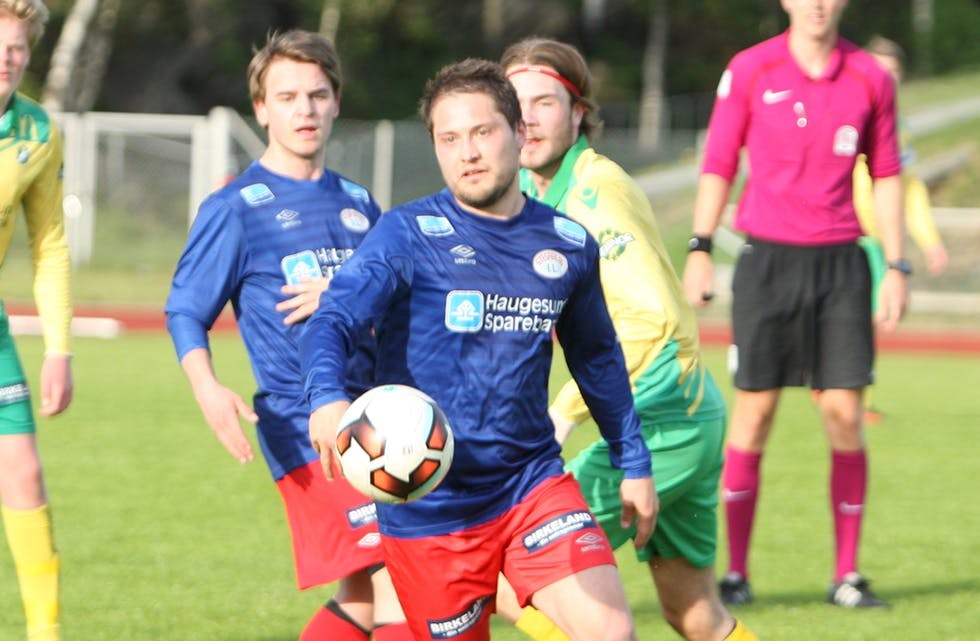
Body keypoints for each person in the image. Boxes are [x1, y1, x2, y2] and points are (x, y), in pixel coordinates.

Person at [301, 57, 657, 641]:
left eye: (482, 132)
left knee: (610, 632)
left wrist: (634, 460)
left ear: (518, 135)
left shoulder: (567, 244)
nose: (467, 152)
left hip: (530, 483)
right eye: (449, 138)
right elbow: (334, 317)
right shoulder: (405, 234)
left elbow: (597, 358)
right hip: (427, 506)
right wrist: (326, 396)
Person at [491, 37, 757, 641]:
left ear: (580, 112)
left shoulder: (594, 193)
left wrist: (564, 412)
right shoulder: (535, 192)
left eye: (546, 102)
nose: (527, 117)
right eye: (515, 102)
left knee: (509, 562)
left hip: (660, 420)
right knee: (694, 614)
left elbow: (652, 319)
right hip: (683, 412)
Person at [164, 30, 410, 641]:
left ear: (335, 103)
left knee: (360, 594)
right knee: (402, 580)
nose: (305, 109)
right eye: (289, 96)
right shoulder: (236, 207)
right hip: (306, 426)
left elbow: (394, 303)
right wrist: (208, 389)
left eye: (318, 94)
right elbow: (185, 309)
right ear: (262, 109)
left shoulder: (359, 203)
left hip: (378, 417)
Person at [682, 0, 908, 609]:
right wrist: (700, 247)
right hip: (767, 262)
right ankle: (735, 575)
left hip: (842, 264)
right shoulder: (751, 69)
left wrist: (897, 263)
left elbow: (887, 173)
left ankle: (847, 575)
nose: (818, 3)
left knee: (843, 415)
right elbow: (719, 161)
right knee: (753, 417)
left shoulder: (871, 76)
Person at [828, 35, 949, 423]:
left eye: (894, 73)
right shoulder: (840, 110)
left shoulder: (900, 127)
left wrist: (928, 241)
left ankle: (855, 397)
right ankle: (838, 388)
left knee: (877, 315)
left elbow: (909, 187)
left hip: (877, 240)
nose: (886, 80)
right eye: (880, 71)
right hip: (839, 233)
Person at [0, 2, 72, 640]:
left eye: (16, 47)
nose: (5, 58)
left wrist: (59, 348)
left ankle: (43, 634)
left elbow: (47, 245)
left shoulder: (37, 133)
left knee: (22, 470)